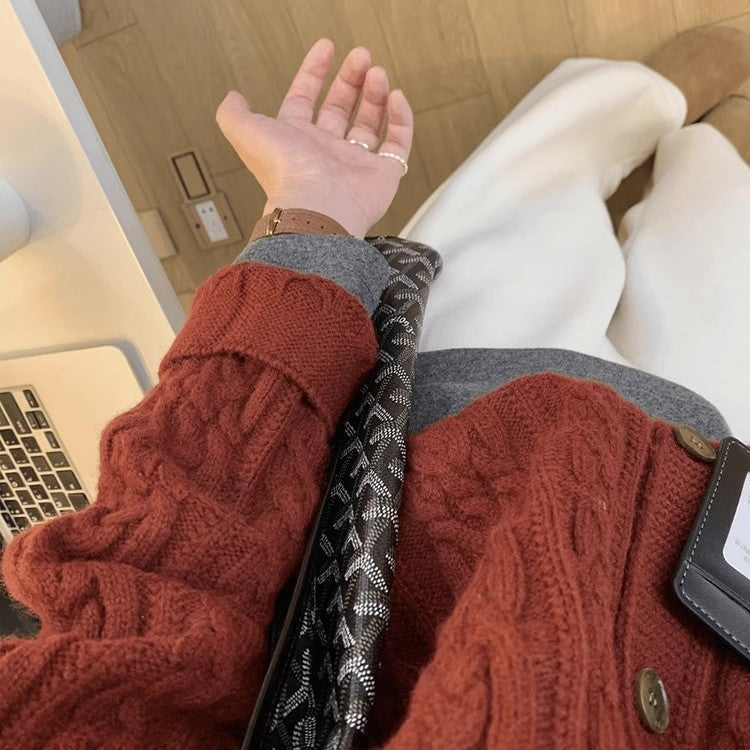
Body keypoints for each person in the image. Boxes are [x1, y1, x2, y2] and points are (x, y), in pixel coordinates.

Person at [1, 26, 749, 749]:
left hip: (449, 444)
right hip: (729, 544)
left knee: (530, 185)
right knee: (719, 245)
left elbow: (149, 598)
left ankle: (645, 99)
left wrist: (308, 224)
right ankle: (720, 148)